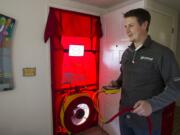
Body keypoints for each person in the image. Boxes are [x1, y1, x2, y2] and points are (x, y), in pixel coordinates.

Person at [111, 8, 180, 135]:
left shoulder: (163, 53)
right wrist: (117, 83)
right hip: (124, 114)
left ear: (144, 25)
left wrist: (152, 105)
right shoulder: (127, 52)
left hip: (147, 120)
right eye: (125, 26)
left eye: (131, 25)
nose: (127, 30)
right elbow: (124, 74)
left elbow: (176, 87)